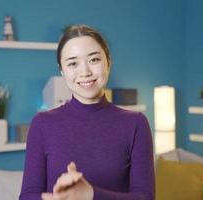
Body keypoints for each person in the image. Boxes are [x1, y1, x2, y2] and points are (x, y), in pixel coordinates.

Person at [19, 24, 155, 200]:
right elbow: (27, 196)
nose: (85, 72)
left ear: (108, 61)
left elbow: (145, 197)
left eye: (94, 60)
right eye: (73, 63)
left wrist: (90, 194)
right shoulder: (42, 124)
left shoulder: (136, 123)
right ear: (62, 71)